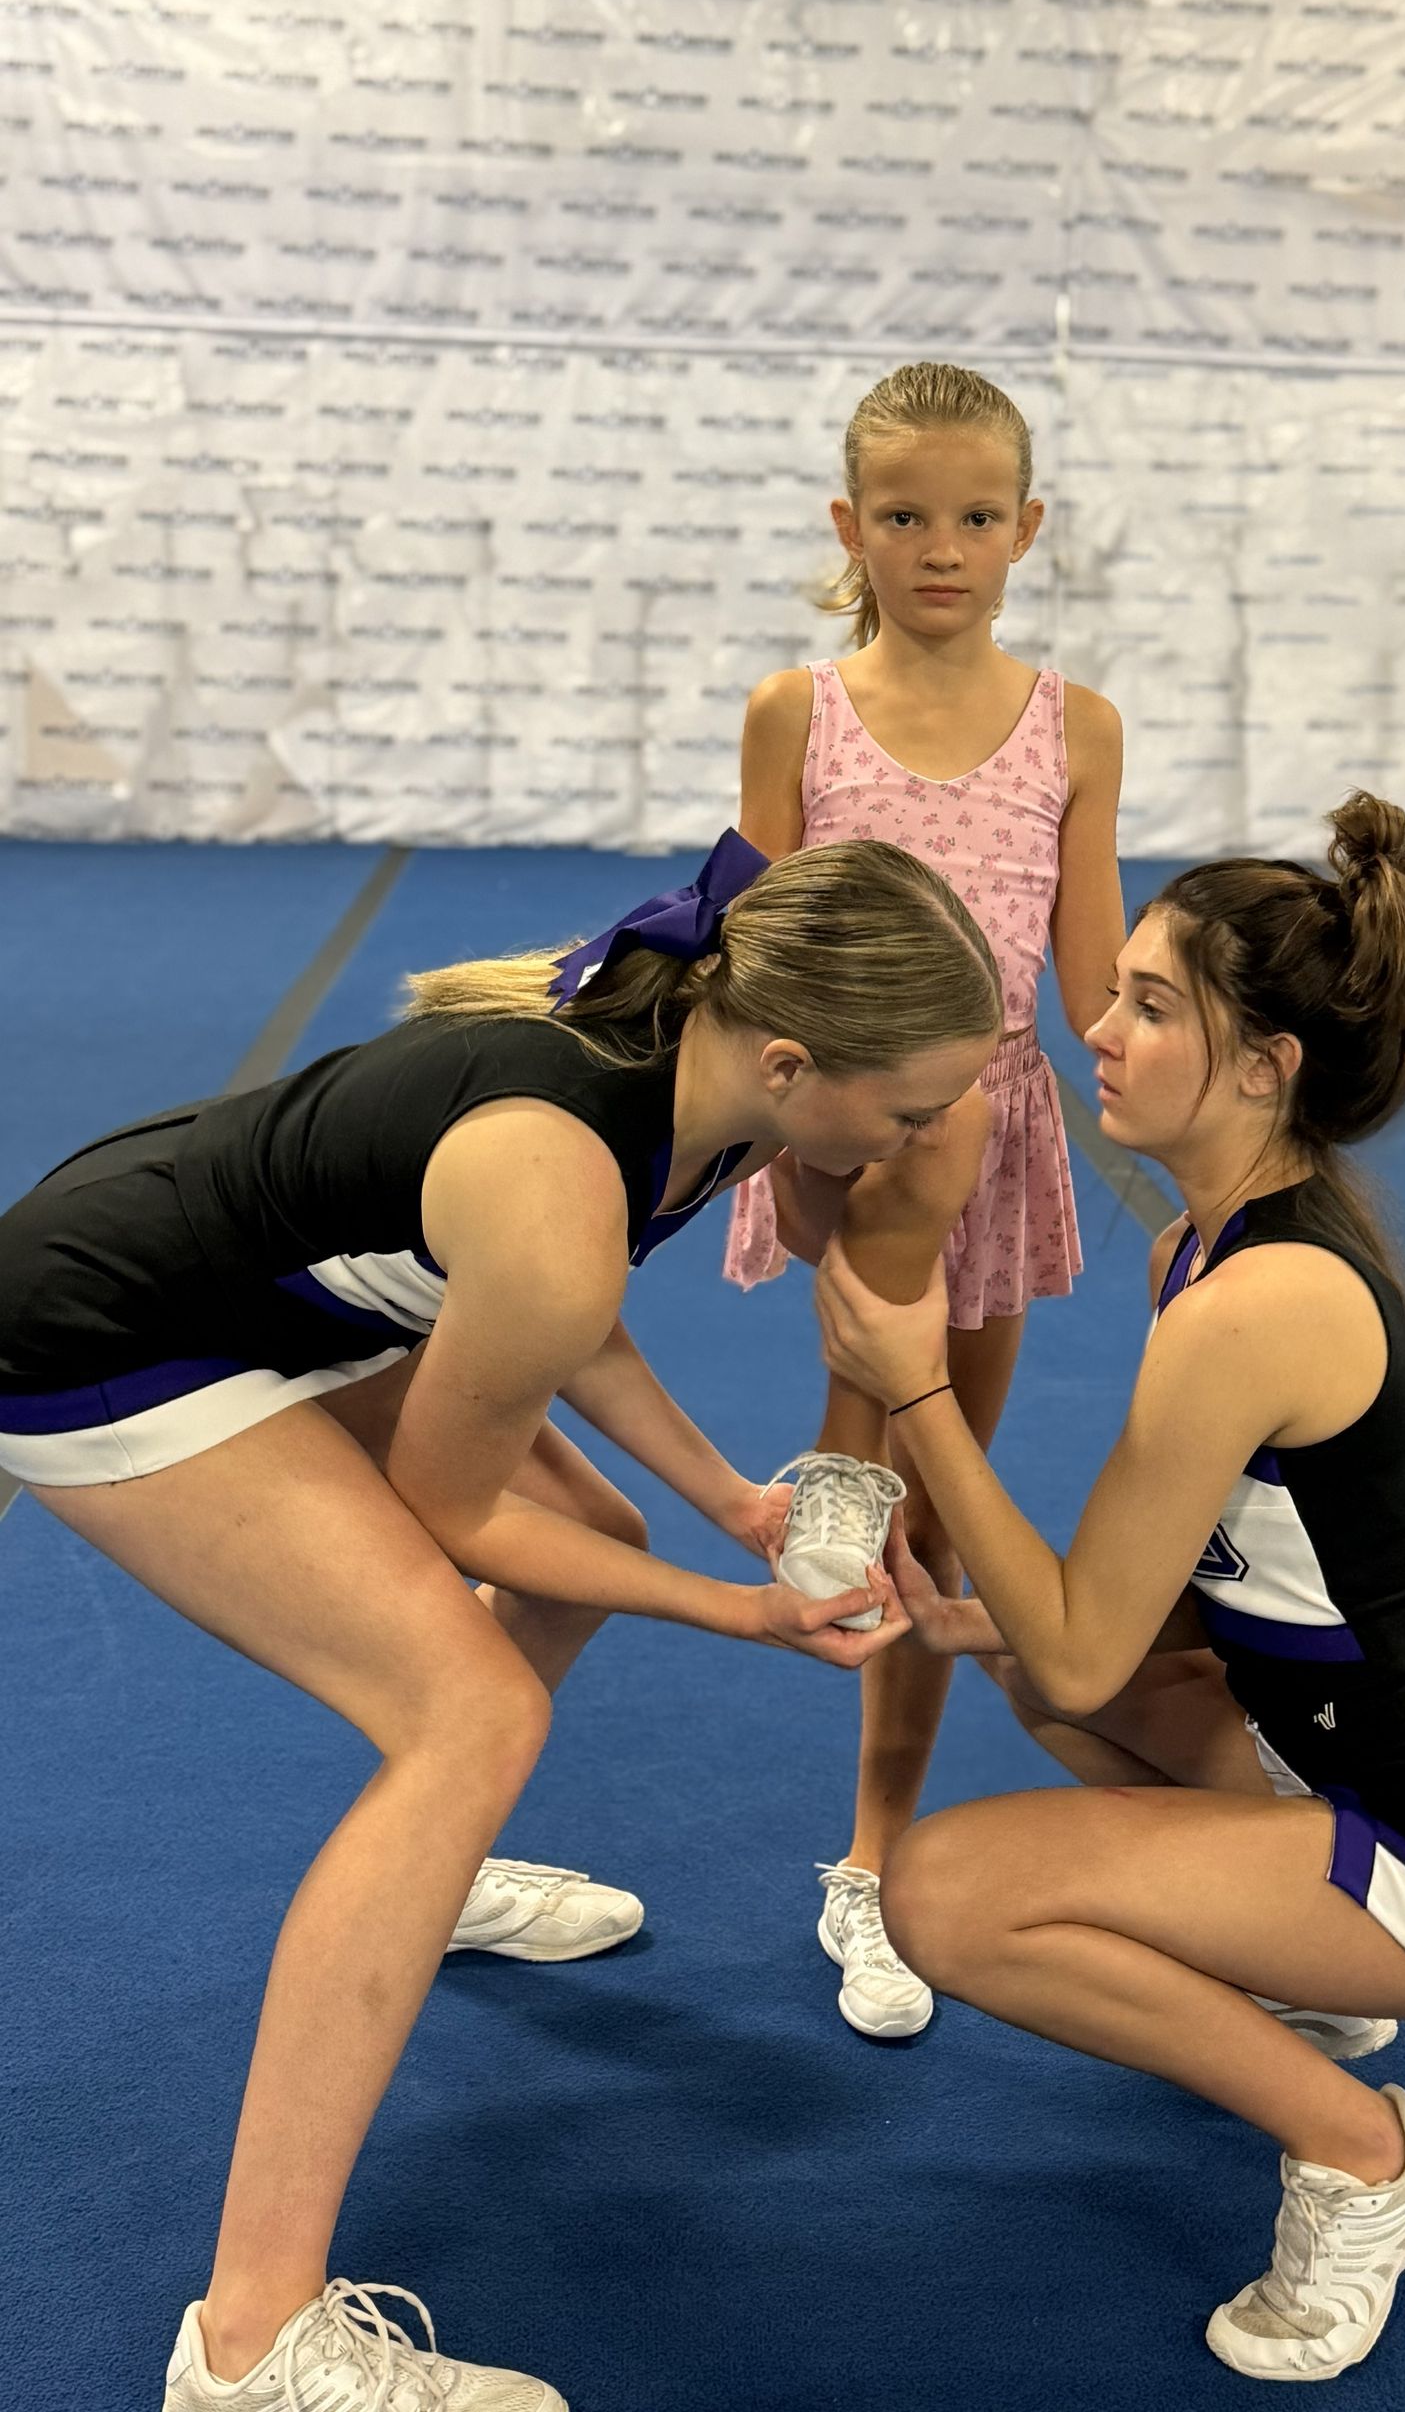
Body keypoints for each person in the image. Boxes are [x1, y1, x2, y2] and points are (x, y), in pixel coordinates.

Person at [0, 833, 1002, 2412]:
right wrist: (740, 1611)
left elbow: (560, 1306)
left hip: (278, 1278)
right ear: (800, 1064)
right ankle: (251, 2343)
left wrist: (727, 1494)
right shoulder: (568, 1172)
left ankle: (431, 1874)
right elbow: (466, 1485)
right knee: (468, 1715)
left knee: (581, 1537)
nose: (928, 1136)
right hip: (109, 1326)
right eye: (912, 1109)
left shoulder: (708, 1074)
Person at [813, 795, 1405, 2383]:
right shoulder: (1215, 1245)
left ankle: (1369, 2155)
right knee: (1031, 1667)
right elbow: (1198, 1590)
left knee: (946, 1894)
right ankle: (1303, 1975)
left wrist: (910, 1393)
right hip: (1358, 1751)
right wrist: (996, 1627)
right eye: (1115, 990)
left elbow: (1094, 1647)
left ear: (1267, 1065)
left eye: (1151, 1005)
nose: (1095, 1026)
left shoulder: (1259, 1302)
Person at [724, 359, 1126, 2041]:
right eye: (905, 515)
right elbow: (747, 952)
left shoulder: (1073, 726)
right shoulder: (797, 712)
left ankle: (881, 1849)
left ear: (1028, 529)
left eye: (976, 516)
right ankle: (836, 1485)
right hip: (843, 1134)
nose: (941, 545)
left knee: (939, 1504)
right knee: (871, 1473)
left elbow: (1097, 977)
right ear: (851, 526)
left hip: (1000, 1132)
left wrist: (1231, 1082)